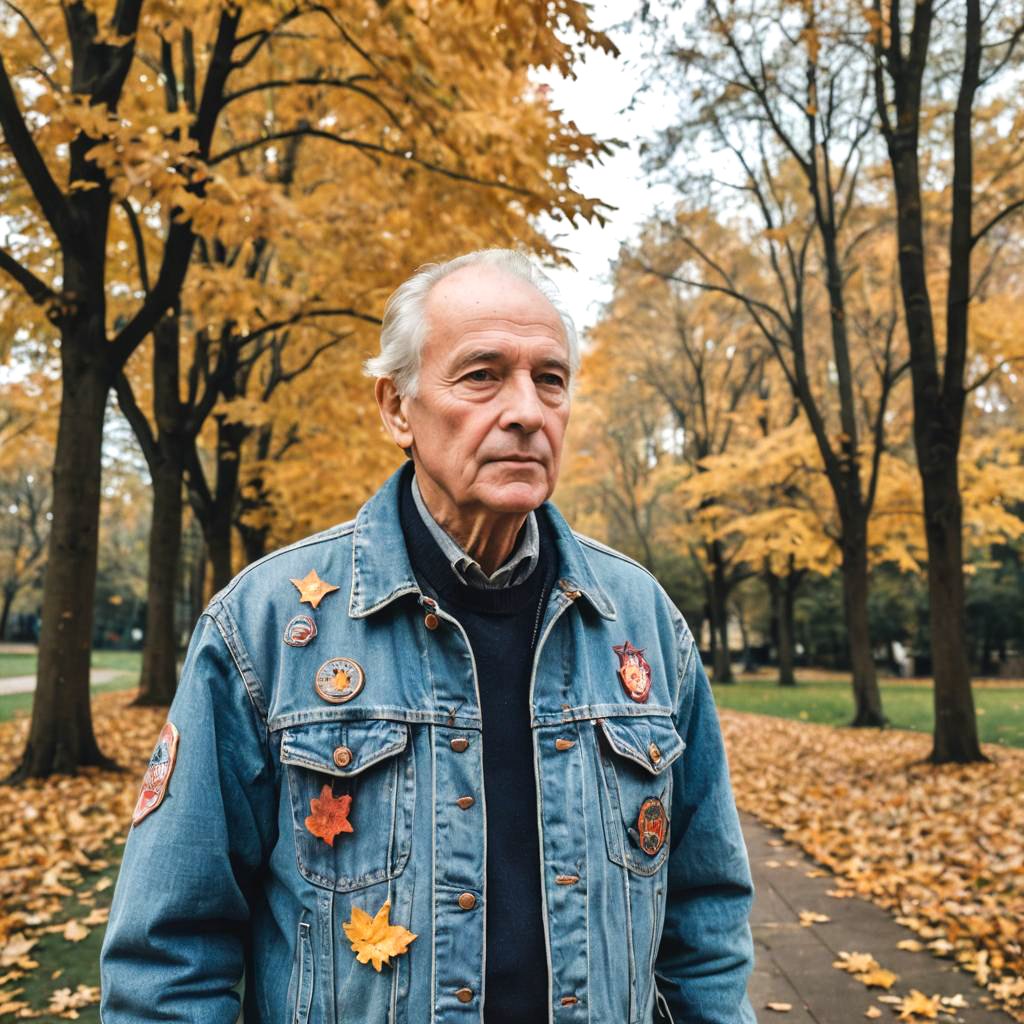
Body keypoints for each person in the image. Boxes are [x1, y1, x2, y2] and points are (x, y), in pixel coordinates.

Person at [100, 249, 756, 1023]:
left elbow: (704, 922)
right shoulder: (266, 627)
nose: (526, 411)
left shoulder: (643, 621)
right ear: (396, 408)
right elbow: (170, 955)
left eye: (550, 379)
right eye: (482, 375)